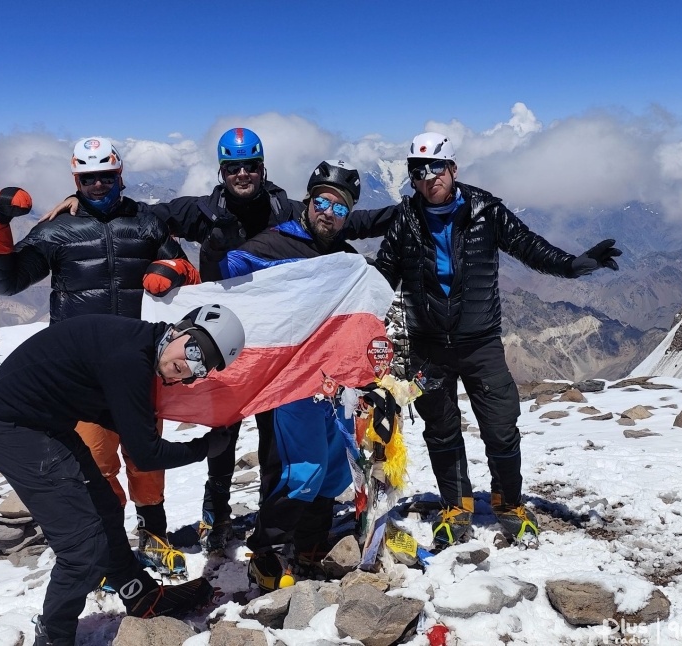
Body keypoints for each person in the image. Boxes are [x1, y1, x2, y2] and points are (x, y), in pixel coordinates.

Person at [43, 129, 394, 554]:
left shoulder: (286, 207)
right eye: (233, 167)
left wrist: (415, 210)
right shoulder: (203, 211)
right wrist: (86, 204)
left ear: (263, 168)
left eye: (250, 166)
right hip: (216, 339)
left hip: (275, 344)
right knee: (221, 429)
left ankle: (271, 518)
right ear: (222, 170)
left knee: (274, 440)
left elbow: (352, 218)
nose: (242, 174)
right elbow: (143, 219)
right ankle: (217, 514)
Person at [373, 132, 622, 546]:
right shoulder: (406, 219)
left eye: (437, 167)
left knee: (502, 425)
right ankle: (456, 505)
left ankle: (508, 502)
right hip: (428, 346)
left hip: (480, 341)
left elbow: (529, 248)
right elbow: (383, 276)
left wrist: (575, 265)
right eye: (418, 170)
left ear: (452, 168)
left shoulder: (486, 210)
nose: (428, 177)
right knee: (440, 428)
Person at [0, 137, 200, 576]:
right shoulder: (57, 229)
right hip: (80, 379)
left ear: (120, 175)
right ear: (76, 180)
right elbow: (7, 282)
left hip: (141, 366)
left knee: (145, 459)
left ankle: (154, 539)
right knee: (96, 465)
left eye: (106, 176)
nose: (98, 185)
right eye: (88, 178)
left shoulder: (147, 223)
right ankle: (111, 550)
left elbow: (190, 279)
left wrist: (176, 271)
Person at [0, 305, 245, 646]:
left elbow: (113, 415)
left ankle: (140, 594)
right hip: (13, 428)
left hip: (44, 424)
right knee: (83, 547)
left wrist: (142, 429)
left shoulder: (141, 348)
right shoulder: (130, 358)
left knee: (105, 508)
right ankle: (54, 638)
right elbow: (146, 455)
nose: (189, 366)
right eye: (194, 351)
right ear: (180, 329)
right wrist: (205, 447)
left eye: (200, 367)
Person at [202, 160, 365, 590]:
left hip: (333, 385)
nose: (328, 212)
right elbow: (222, 279)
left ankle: (310, 547)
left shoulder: (347, 263)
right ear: (308, 202)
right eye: (321, 202)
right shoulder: (272, 245)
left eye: (339, 208)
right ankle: (267, 553)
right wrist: (206, 257)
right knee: (302, 467)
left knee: (333, 468)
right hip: (289, 382)